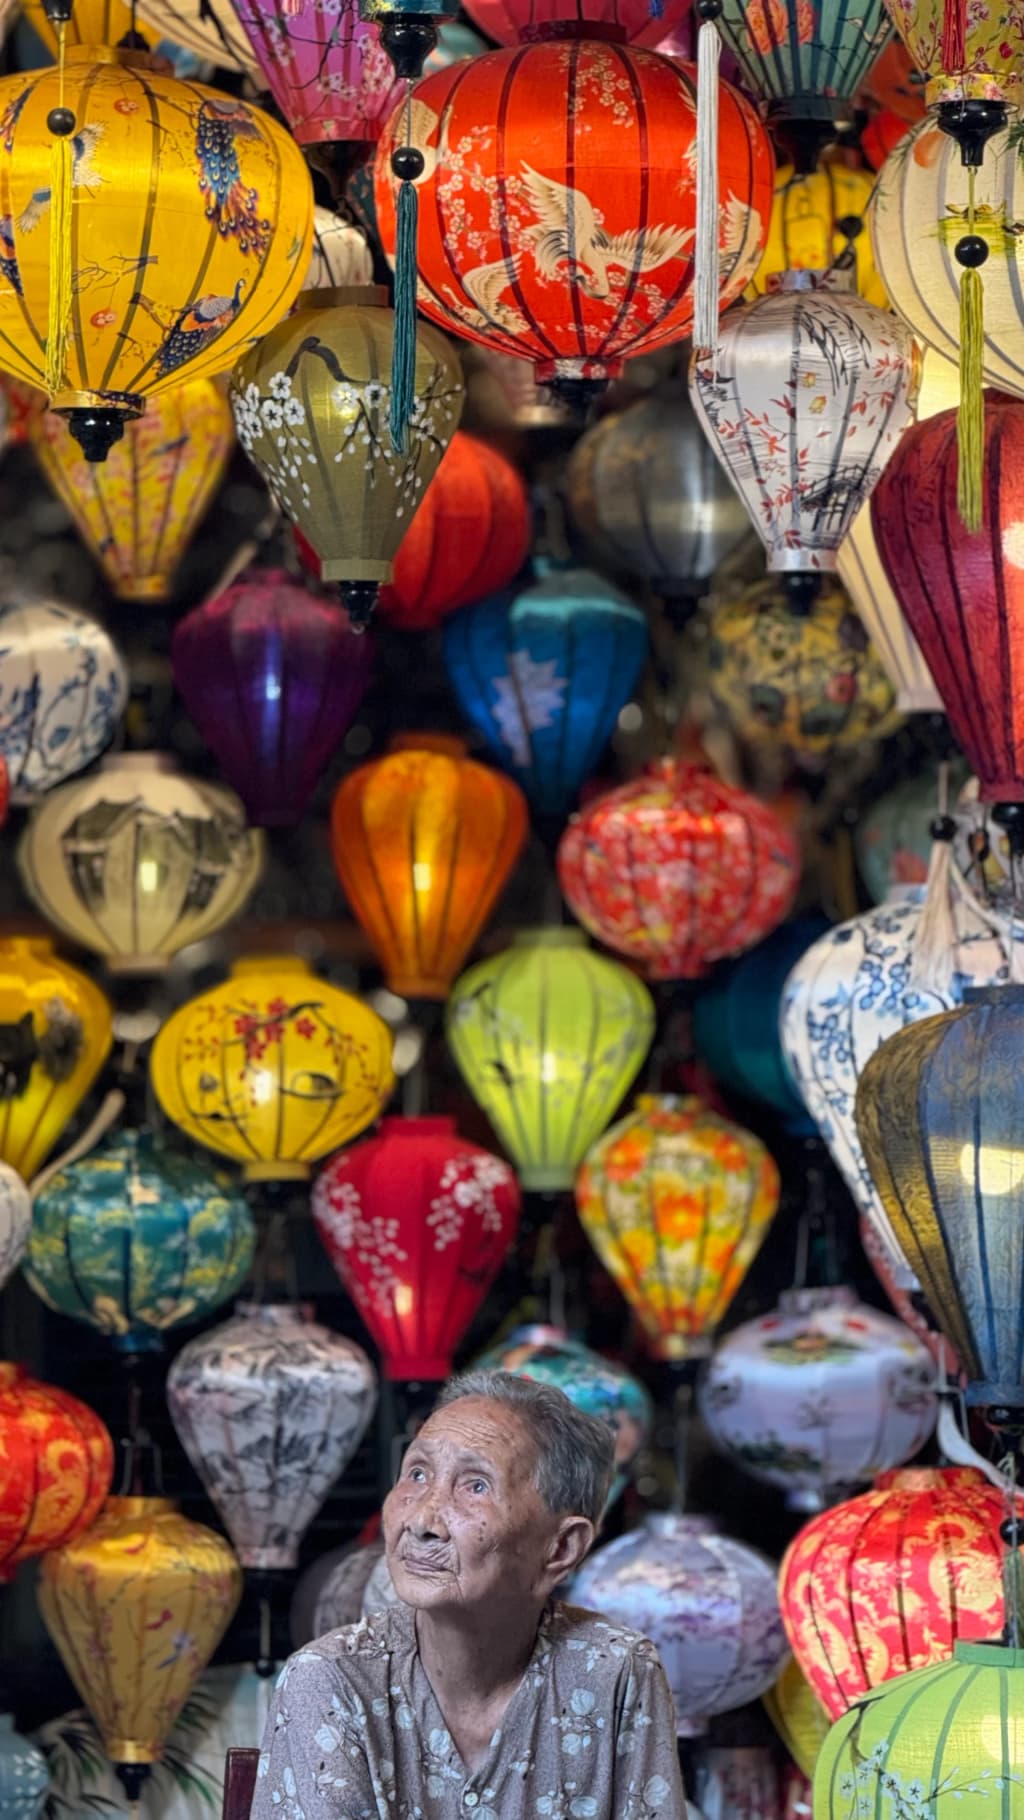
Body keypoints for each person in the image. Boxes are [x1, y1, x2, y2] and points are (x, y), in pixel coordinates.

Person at [253, 1368, 686, 1820]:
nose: (421, 1521)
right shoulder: (331, 1680)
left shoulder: (615, 1672)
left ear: (560, 1548)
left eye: (475, 1485)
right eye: (417, 1474)